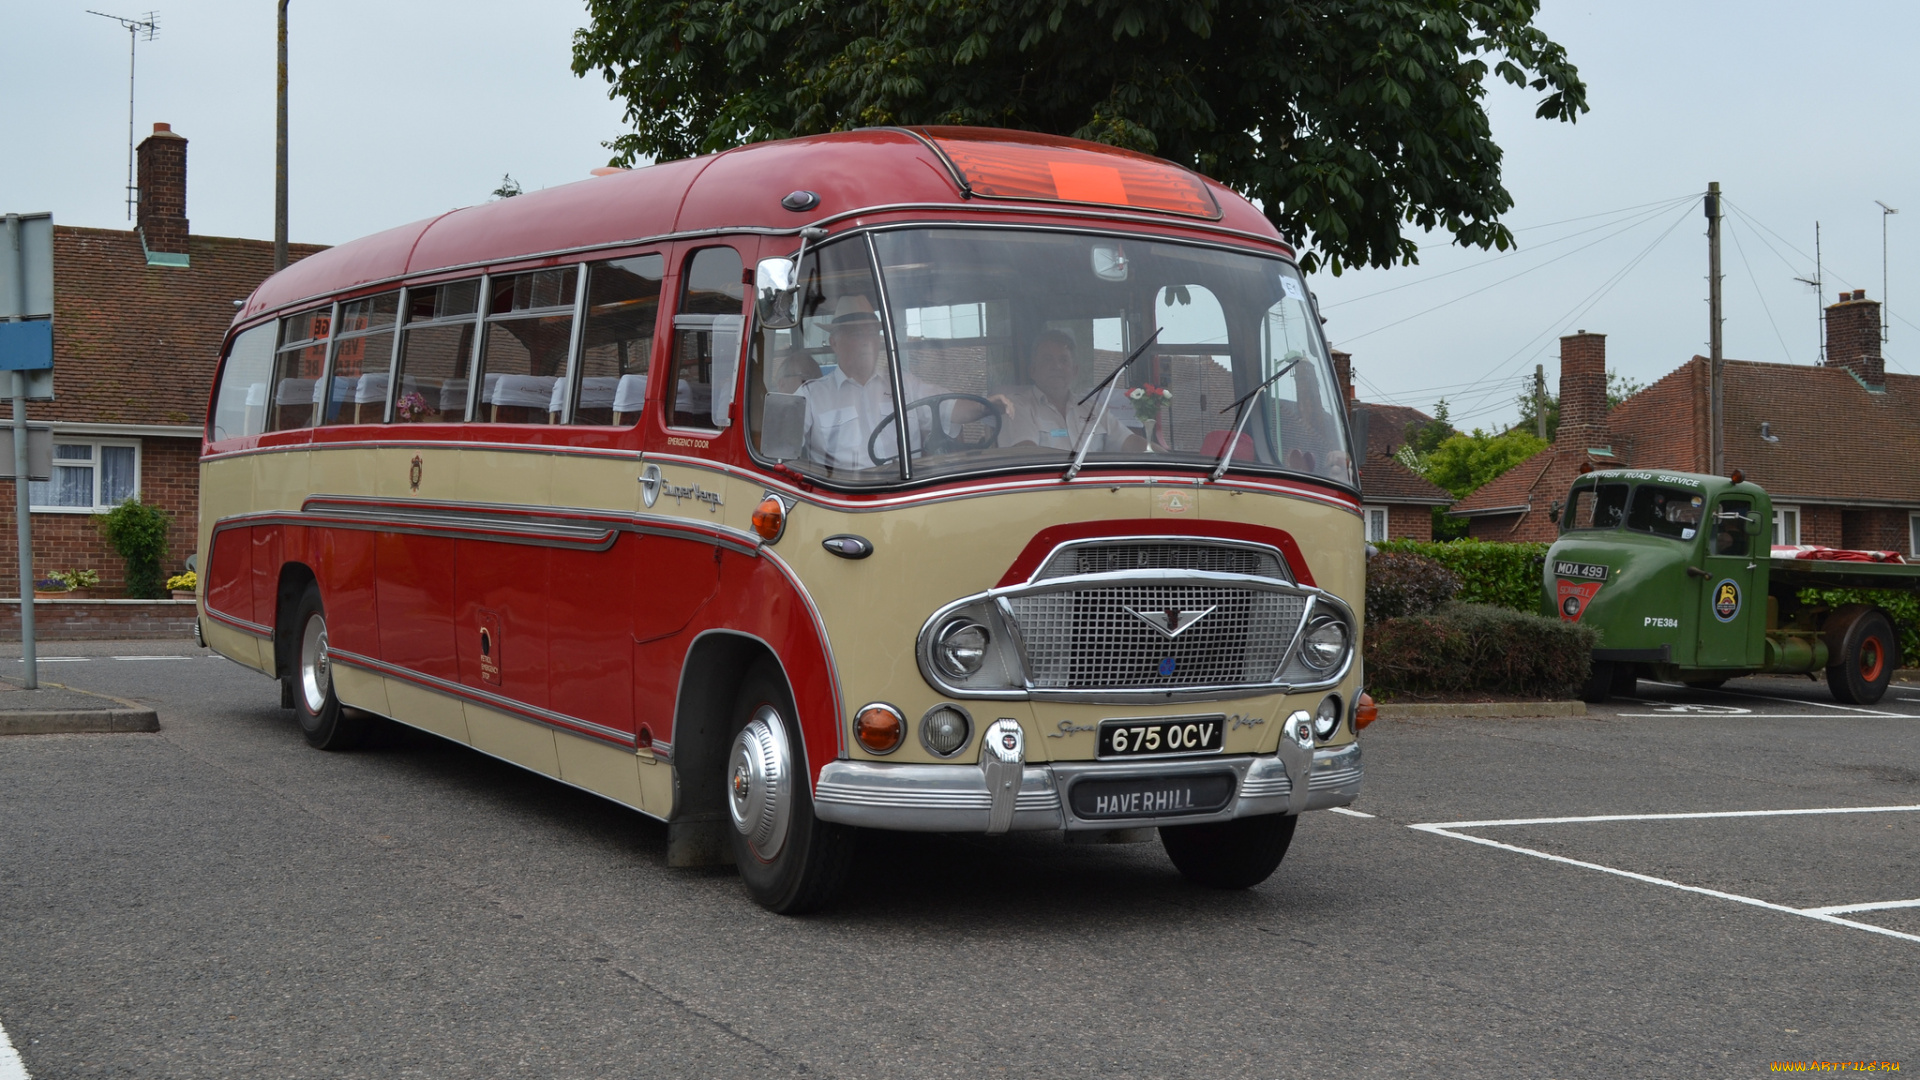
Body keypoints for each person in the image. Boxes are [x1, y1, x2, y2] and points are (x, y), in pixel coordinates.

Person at [793, 296, 978, 471]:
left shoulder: (904, 384)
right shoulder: (810, 396)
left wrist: (990, 407)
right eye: (856, 334)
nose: (866, 342)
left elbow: (949, 407)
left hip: (907, 491)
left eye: (872, 333)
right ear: (834, 343)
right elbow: (777, 452)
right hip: (842, 498)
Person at [993, 329, 1147, 453]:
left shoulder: (1092, 409)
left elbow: (1131, 442)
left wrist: (1166, 458)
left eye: (1063, 360)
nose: (1057, 366)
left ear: (1075, 371)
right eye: (1048, 359)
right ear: (1032, 371)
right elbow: (1028, 455)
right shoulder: (1017, 407)